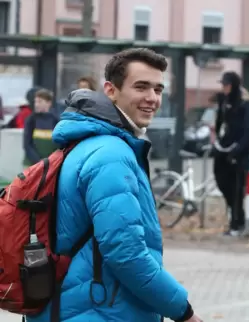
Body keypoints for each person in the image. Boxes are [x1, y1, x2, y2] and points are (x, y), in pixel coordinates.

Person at [28, 48, 202, 322]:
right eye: (141, 87)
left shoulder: (85, 145)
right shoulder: (111, 155)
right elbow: (126, 253)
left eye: (158, 89)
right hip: (100, 312)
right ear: (110, 90)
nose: (152, 98)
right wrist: (183, 311)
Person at [213, 71, 249, 236]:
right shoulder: (224, 101)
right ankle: (235, 219)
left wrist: (238, 148)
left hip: (240, 152)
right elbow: (220, 124)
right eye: (223, 85)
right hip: (225, 148)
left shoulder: (244, 103)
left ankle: (237, 223)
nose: (224, 88)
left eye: (227, 85)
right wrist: (218, 141)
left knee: (238, 188)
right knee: (222, 181)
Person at [22, 88, 59, 166]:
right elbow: (27, 144)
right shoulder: (31, 120)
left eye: (40, 102)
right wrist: (38, 161)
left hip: (51, 164)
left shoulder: (56, 120)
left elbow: (59, 145)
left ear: (49, 103)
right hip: (32, 165)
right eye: (35, 101)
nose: (36, 105)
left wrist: (50, 161)